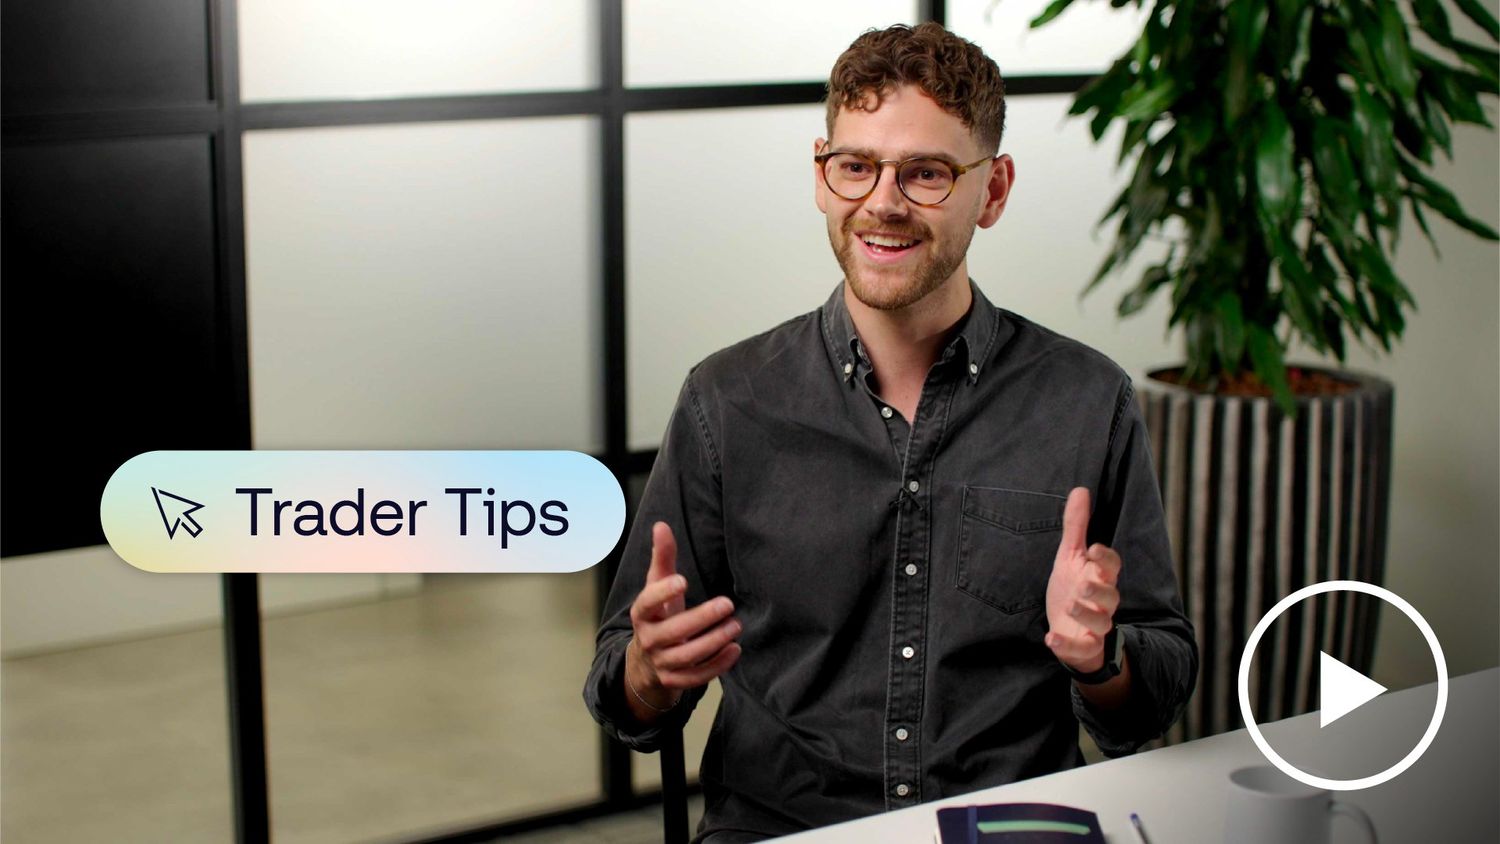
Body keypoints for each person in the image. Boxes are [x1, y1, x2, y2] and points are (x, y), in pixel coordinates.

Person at [584, 22, 1197, 843]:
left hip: (1007, 828)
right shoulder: (725, 401)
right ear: (822, 174)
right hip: (784, 829)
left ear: (995, 190)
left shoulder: (1087, 401)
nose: (882, 202)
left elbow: (1153, 697)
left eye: (926, 173)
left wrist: (1100, 656)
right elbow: (622, 697)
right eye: (856, 166)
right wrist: (648, 673)